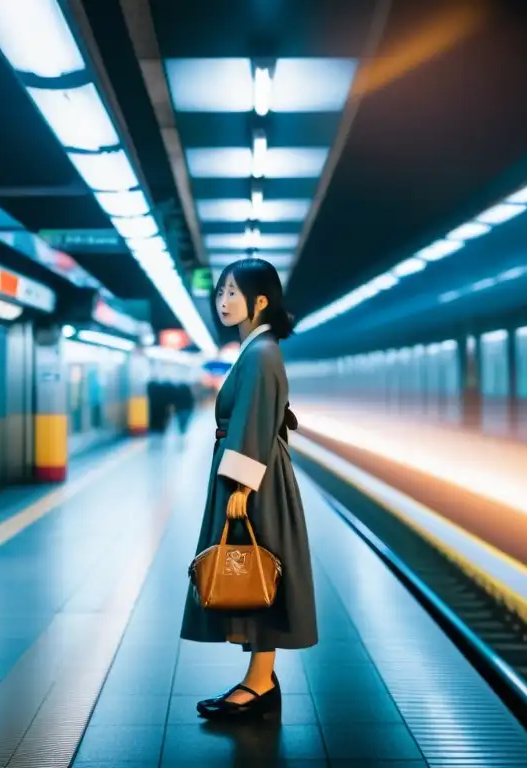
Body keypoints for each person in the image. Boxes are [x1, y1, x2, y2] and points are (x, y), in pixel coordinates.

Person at [180, 257, 317, 720]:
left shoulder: (259, 354)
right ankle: (259, 679)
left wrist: (239, 487)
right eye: (220, 292)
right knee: (257, 574)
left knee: (259, 574)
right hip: (256, 472)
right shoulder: (259, 350)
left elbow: (253, 420)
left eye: (233, 293)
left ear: (260, 301)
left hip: (252, 479)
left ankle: (259, 684)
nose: (223, 301)